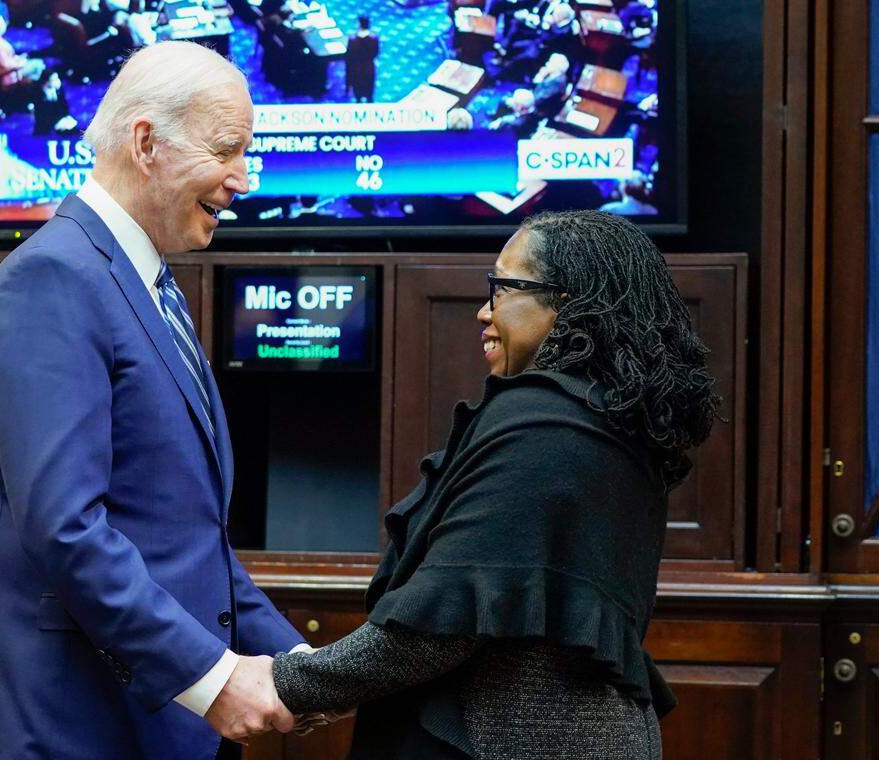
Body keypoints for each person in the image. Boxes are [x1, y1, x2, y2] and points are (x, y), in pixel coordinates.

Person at [0, 42, 308, 760]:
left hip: (147, 729)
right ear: (146, 143)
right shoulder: (54, 278)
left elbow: (182, 538)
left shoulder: (147, 284)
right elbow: (67, 532)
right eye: (227, 150)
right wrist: (212, 679)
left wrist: (307, 671)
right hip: (71, 730)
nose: (244, 177)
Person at [272, 210, 721, 758]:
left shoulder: (545, 423)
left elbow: (441, 619)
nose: (485, 311)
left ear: (571, 301)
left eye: (504, 287)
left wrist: (289, 684)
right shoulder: (606, 421)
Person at [345, 15, 380, 103]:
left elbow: (349, 55)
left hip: (356, 69)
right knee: (369, 94)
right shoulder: (373, 38)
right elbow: (376, 53)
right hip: (369, 68)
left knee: (358, 94)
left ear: (359, 24)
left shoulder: (353, 40)